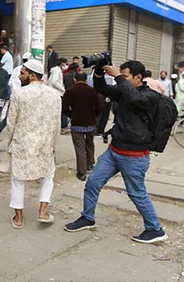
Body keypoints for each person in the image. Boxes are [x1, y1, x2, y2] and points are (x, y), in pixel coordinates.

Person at [64, 60, 168, 244]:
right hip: (114, 151)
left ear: (139, 77)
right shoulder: (124, 91)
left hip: (134, 157)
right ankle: (87, 217)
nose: (120, 79)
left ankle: (155, 229)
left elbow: (135, 98)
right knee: (93, 183)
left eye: (126, 76)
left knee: (137, 194)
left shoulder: (151, 96)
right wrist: (98, 71)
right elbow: (102, 88)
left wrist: (118, 77)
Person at [7, 59, 61, 229]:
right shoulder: (54, 95)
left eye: (22, 72)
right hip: (44, 144)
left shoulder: (19, 94)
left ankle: (19, 218)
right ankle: (43, 212)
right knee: (48, 175)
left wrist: (10, 143)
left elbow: (11, 123)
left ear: (31, 75)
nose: (19, 75)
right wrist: (53, 144)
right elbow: (57, 124)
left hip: (22, 142)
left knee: (18, 179)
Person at [63, 72, 104, 181]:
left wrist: (72, 115)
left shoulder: (70, 91)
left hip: (76, 123)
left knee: (80, 148)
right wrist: (94, 115)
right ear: (86, 80)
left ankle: (82, 172)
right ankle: (90, 164)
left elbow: (64, 108)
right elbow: (100, 106)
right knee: (90, 144)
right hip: (90, 122)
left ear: (75, 80)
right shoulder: (92, 91)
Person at [0, 53, 32, 150]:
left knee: (9, 117)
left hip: (13, 97)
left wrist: (11, 94)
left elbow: (10, 83)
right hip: (26, 97)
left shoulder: (16, 69)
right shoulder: (30, 72)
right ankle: (16, 143)